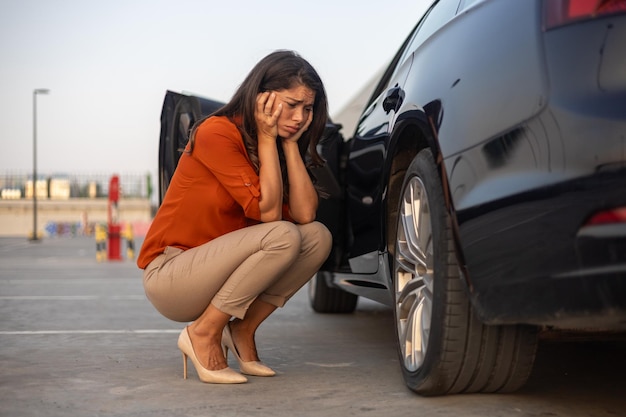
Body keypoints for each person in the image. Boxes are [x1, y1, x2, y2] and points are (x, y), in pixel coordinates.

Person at [137, 50, 333, 384]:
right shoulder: (217, 133)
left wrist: (288, 146)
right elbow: (270, 214)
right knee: (282, 235)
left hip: (216, 271)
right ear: (262, 98)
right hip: (172, 273)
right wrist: (270, 136)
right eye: (292, 104)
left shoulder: (272, 147)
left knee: (317, 237)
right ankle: (203, 332)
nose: (300, 117)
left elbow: (305, 213)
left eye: (308, 108)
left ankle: (242, 328)